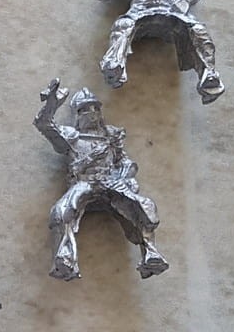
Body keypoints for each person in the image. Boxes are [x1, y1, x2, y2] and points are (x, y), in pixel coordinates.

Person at [35, 79, 167, 280]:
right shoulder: (73, 136)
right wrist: (51, 104)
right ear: (78, 113)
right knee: (62, 212)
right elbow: (45, 125)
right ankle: (65, 258)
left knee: (144, 206)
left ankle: (150, 253)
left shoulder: (111, 136)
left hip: (110, 181)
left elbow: (125, 161)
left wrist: (125, 177)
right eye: (86, 109)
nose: (92, 113)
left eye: (95, 108)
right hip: (84, 182)